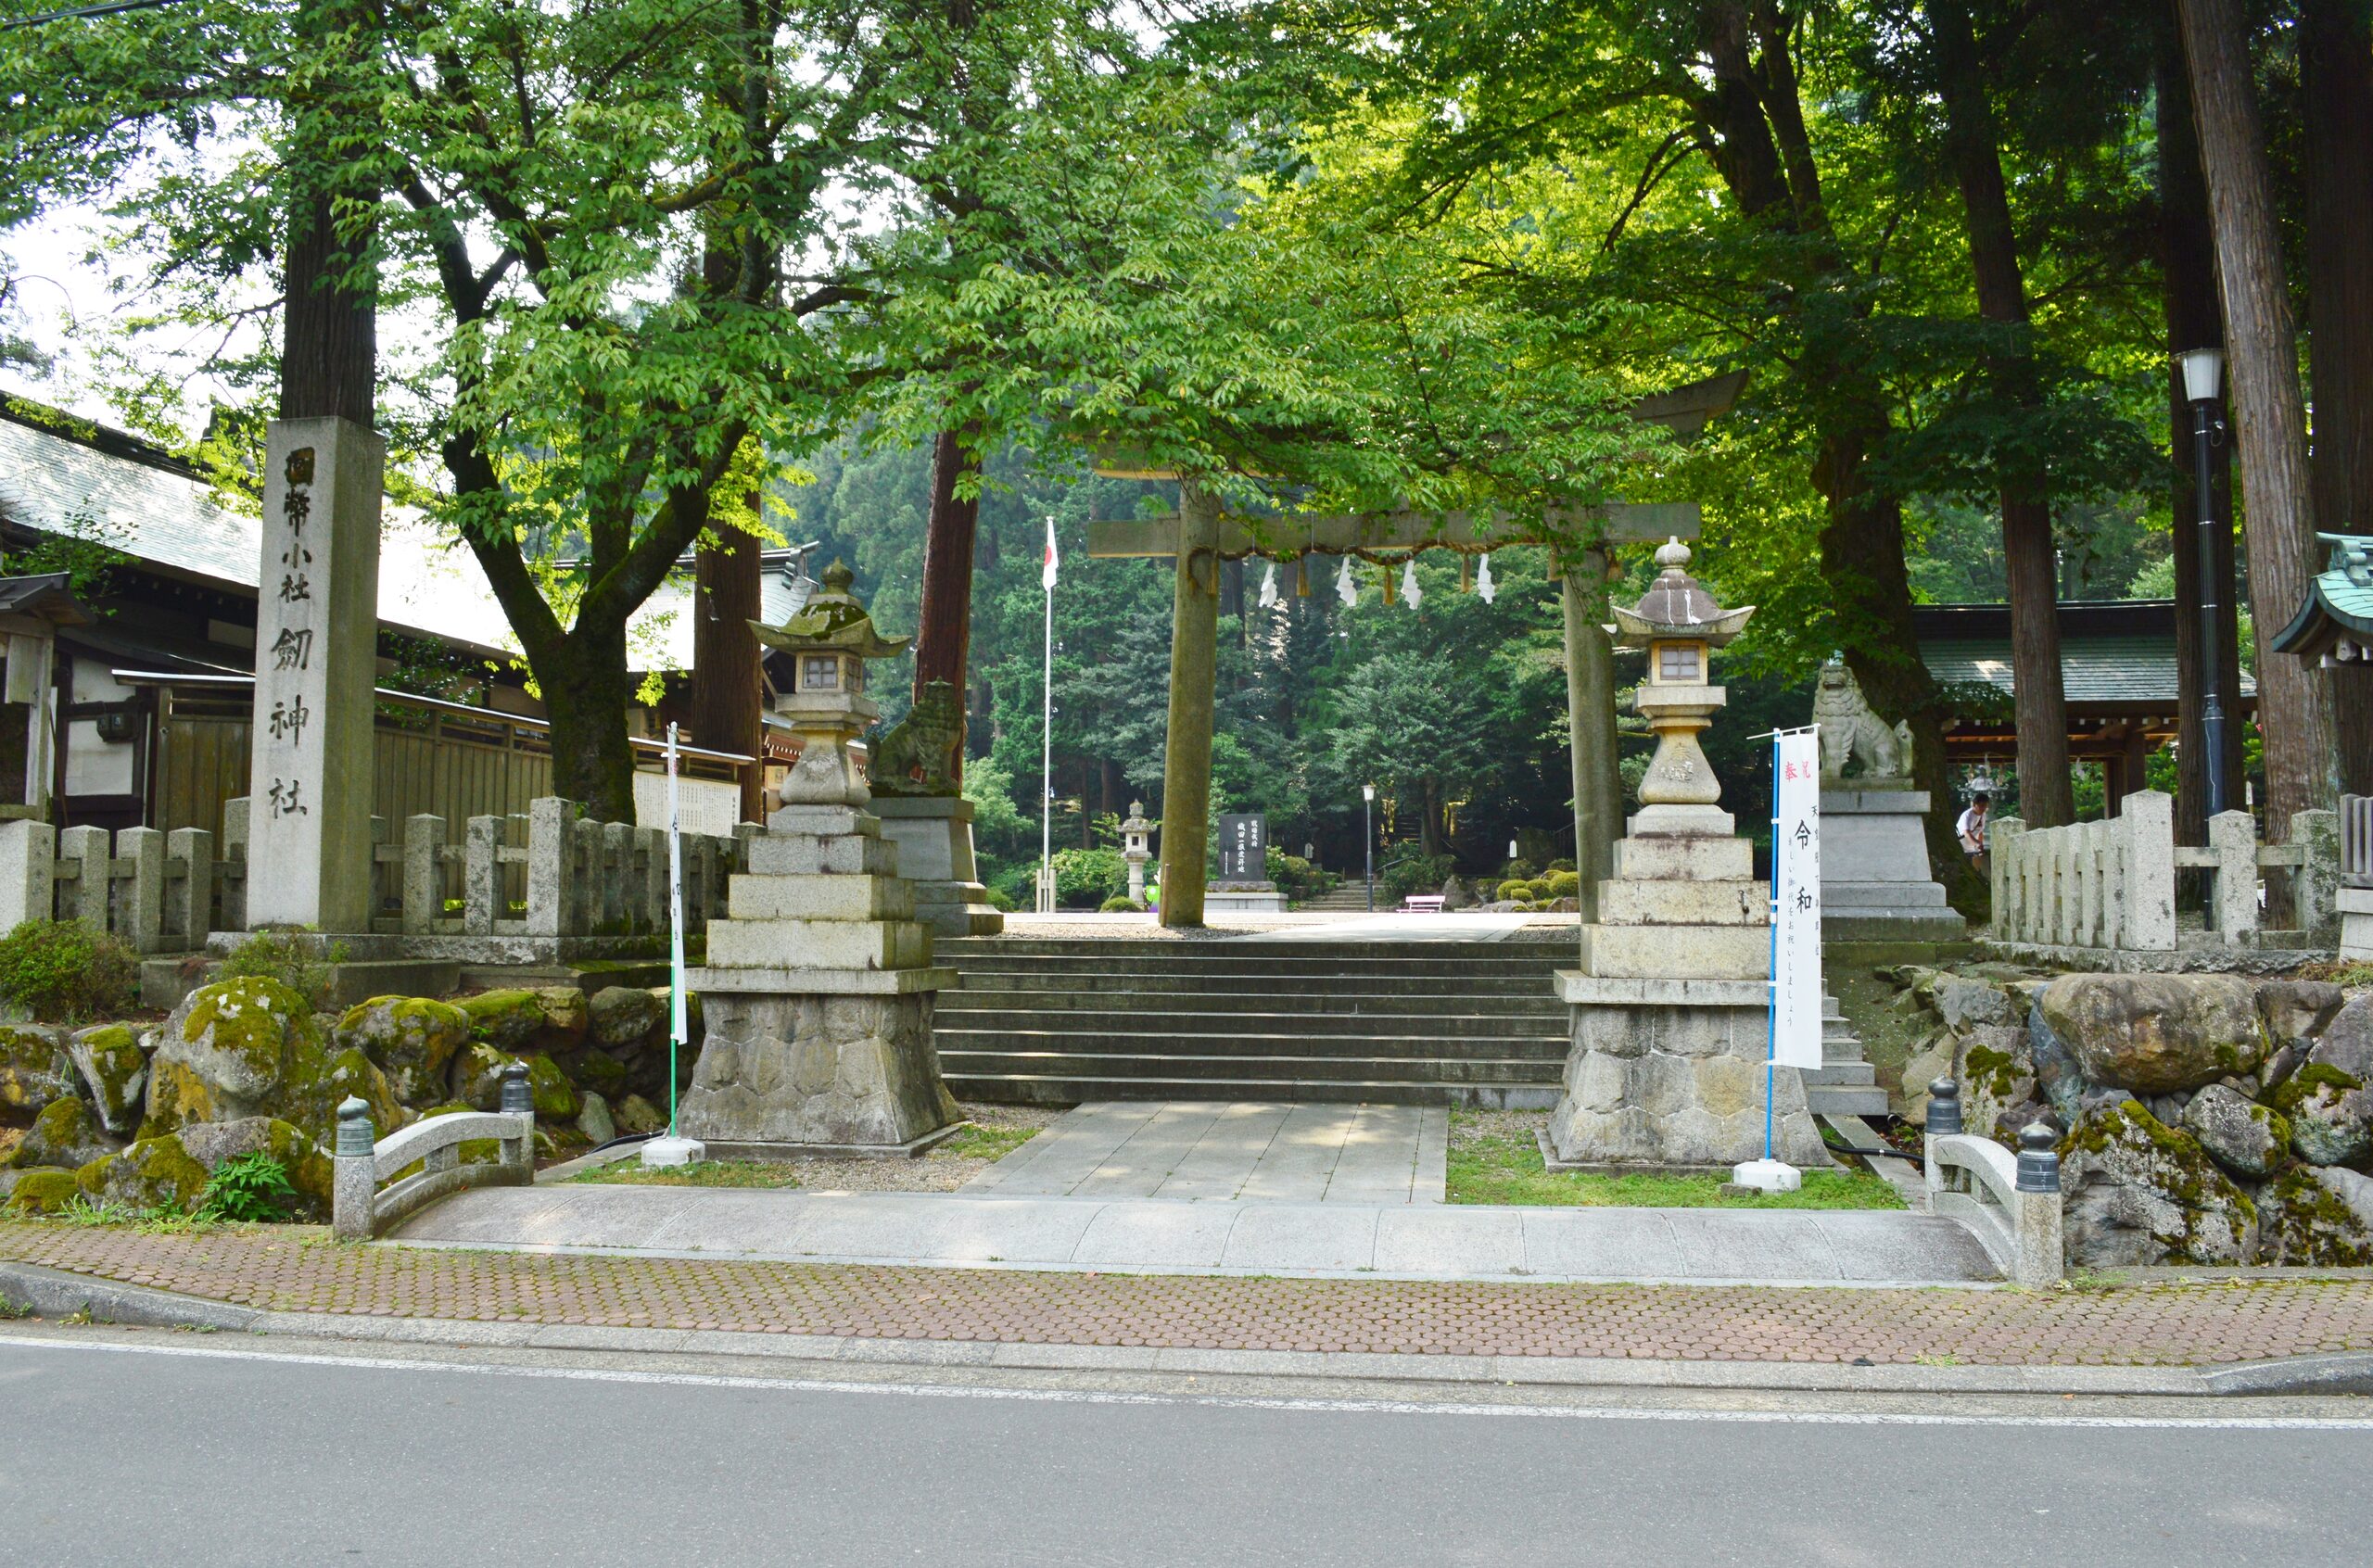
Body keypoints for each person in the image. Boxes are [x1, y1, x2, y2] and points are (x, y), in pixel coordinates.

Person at [1956, 788, 1991, 875]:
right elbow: (1966, 833)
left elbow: (1980, 831)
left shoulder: (1983, 815)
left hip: (1972, 848)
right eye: (1981, 806)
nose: (1983, 808)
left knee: (1976, 870)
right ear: (1975, 805)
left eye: (1985, 806)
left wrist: (1980, 844)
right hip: (1962, 845)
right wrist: (1976, 843)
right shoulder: (1967, 815)